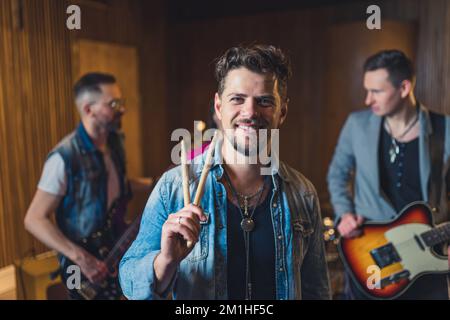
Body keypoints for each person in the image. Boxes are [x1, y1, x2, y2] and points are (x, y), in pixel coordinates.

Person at [119, 44, 331, 300]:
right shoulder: (173, 186)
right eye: (237, 99)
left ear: (282, 111)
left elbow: (316, 291)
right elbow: (129, 282)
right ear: (219, 107)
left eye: (264, 101)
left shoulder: (302, 193)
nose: (250, 112)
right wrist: (166, 261)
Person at [327, 49, 450, 299]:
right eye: (366, 90)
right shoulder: (357, 125)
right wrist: (344, 214)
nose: (367, 100)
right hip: (370, 252)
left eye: (377, 91)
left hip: (429, 253)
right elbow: (337, 174)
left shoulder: (444, 129)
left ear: (404, 88)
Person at [24, 72, 153, 299]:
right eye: (113, 104)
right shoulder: (64, 156)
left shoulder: (114, 144)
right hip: (83, 270)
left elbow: (116, 187)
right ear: (88, 110)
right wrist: (83, 258)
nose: (121, 109)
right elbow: (34, 219)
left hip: (114, 253)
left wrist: (160, 182)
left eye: (121, 102)